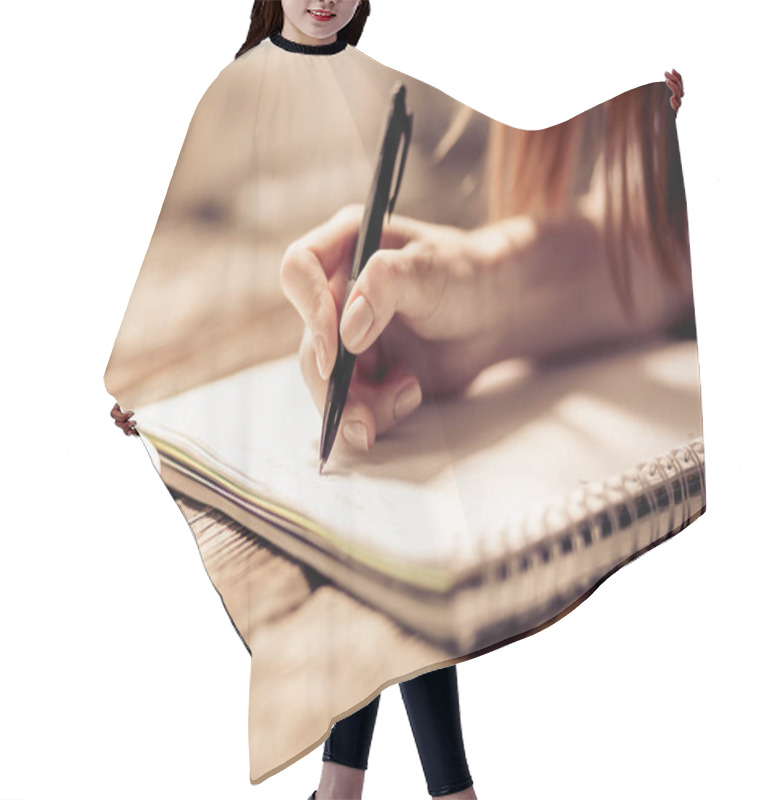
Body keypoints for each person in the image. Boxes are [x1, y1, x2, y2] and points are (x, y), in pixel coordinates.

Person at [112, 2, 687, 799]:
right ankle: (427, 792)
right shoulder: (231, 90)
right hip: (275, 379)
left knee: (397, 576)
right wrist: (131, 384)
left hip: (386, 368)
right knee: (391, 582)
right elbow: (177, 225)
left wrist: (644, 116)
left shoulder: (381, 79)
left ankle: (351, 789)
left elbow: (522, 128)